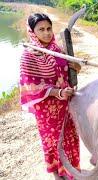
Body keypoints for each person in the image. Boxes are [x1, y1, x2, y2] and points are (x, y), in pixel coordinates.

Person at [19, 13, 81, 180]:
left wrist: (74, 64)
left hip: (66, 105)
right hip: (47, 109)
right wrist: (57, 92)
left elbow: (73, 70)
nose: (47, 33)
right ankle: (57, 174)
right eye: (41, 29)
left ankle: (72, 172)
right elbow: (31, 86)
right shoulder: (29, 55)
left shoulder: (57, 49)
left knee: (70, 138)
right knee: (53, 141)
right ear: (32, 32)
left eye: (49, 28)